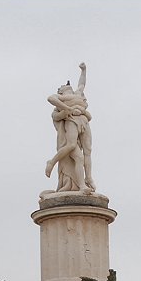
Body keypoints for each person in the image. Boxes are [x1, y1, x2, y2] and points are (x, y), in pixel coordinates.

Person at [45, 62, 95, 193]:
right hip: (72, 121)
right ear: (61, 91)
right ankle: (52, 161)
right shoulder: (62, 97)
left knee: (87, 151)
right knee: (72, 145)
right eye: (62, 86)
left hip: (84, 121)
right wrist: (69, 109)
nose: (66, 85)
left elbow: (82, 83)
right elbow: (50, 98)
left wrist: (83, 70)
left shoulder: (78, 93)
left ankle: (88, 178)